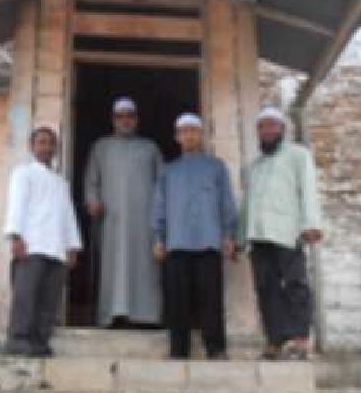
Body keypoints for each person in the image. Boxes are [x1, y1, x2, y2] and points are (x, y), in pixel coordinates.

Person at [152, 113, 238, 360]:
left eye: (193, 130)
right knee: (177, 302)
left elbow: (226, 203)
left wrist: (229, 235)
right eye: (184, 131)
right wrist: (159, 238)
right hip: (176, 243)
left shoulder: (216, 167)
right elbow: (159, 206)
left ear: (201, 135)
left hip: (209, 242)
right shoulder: (169, 171)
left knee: (211, 300)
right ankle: (179, 351)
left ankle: (216, 348)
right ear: (177, 137)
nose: (189, 135)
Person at [242, 107, 322, 361]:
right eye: (262, 127)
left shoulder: (298, 156)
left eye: (272, 126)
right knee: (266, 288)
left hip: (287, 231)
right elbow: (247, 203)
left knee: (295, 284)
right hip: (259, 234)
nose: (267, 131)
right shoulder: (254, 166)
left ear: (282, 129)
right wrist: (241, 237)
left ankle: (300, 339)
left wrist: (311, 223)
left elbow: (308, 189)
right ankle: (275, 341)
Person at [84, 97, 164, 327]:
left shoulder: (150, 148)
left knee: (146, 267)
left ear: (137, 120)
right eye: (121, 116)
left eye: (130, 116)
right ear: (113, 120)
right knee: (113, 268)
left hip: (145, 222)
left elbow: (163, 185)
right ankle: (113, 314)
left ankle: (146, 316)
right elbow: (91, 181)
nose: (125, 120)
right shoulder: (101, 147)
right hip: (112, 221)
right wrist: (92, 201)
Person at [3, 126, 82, 357]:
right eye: (41, 142)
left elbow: (68, 215)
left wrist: (72, 246)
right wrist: (16, 236)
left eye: (50, 143)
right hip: (32, 245)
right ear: (32, 146)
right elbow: (16, 205)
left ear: (56, 148)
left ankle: (39, 342)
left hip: (56, 248)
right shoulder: (23, 173)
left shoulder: (61, 183)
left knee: (49, 300)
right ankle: (18, 340)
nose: (46, 147)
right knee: (25, 296)